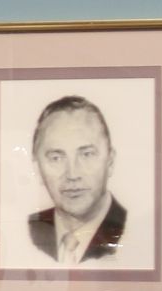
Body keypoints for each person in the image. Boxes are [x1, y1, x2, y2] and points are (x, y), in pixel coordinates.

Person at [25, 94, 129, 264]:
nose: (72, 175)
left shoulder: (135, 232)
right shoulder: (23, 234)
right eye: (56, 158)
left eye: (87, 154)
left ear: (110, 162)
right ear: (37, 168)